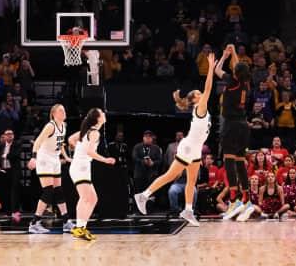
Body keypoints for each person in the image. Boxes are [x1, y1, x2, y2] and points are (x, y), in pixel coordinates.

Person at [135, 52, 216, 226]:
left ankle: (187, 211)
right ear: (195, 99)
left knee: (191, 181)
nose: (202, 93)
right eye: (199, 93)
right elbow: (209, 88)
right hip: (188, 147)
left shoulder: (200, 109)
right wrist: (210, 68)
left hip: (194, 148)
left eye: (200, 92)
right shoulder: (200, 107)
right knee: (171, 175)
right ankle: (143, 195)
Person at [214, 45, 254, 220]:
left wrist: (224, 56)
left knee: (228, 161)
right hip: (243, 126)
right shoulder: (245, 83)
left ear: (235, 73)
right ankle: (246, 200)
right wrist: (235, 53)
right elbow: (239, 67)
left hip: (230, 125)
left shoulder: (231, 81)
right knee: (240, 163)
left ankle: (233, 200)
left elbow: (216, 70)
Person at [68, 108, 116, 240]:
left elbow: (71, 139)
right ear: (98, 118)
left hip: (82, 167)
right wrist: (106, 160)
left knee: (92, 199)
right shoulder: (94, 132)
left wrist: (77, 148)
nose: (104, 114)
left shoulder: (87, 131)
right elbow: (90, 152)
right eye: (102, 113)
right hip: (80, 167)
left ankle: (81, 227)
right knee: (85, 198)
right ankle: (79, 228)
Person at [27, 104, 75, 234]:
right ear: (53, 113)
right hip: (44, 158)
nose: (63, 112)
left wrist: (66, 157)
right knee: (48, 192)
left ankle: (66, 222)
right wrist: (34, 158)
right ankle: (34, 223)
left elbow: (61, 144)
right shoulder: (50, 126)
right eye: (60, 110)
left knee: (58, 191)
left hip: (54, 159)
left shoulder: (63, 126)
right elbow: (37, 142)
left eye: (64, 110)